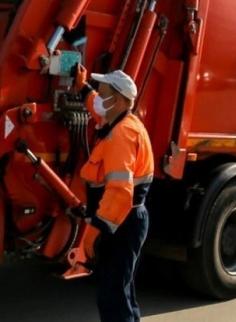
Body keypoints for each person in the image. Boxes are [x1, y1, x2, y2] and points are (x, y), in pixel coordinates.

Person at [74, 64, 153, 322]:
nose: (99, 96)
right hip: (128, 220)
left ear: (117, 99)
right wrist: (82, 87)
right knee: (123, 290)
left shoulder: (122, 134)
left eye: (103, 91)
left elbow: (120, 191)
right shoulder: (121, 121)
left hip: (121, 222)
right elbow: (98, 108)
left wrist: (94, 232)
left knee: (112, 296)